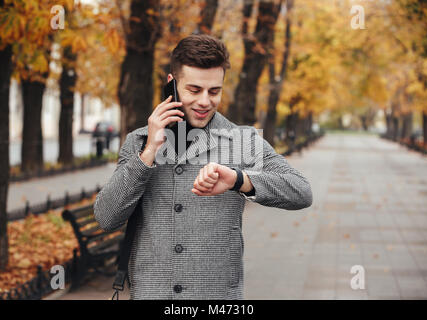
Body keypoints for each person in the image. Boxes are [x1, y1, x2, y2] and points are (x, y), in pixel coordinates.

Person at [94, 34, 312, 300]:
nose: (205, 102)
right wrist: (149, 152)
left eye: (214, 91)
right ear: (171, 85)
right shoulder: (139, 142)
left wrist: (239, 179)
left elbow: (301, 191)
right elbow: (106, 217)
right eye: (194, 90)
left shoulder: (242, 141)